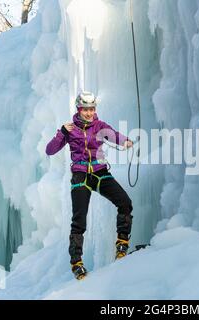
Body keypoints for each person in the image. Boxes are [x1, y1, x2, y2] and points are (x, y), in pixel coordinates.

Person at [45, 91, 134, 280]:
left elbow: (113, 135)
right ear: (79, 109)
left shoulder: (100, 126)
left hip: (100, 173)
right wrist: (61, 132)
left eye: (92, 109)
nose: (89, 113)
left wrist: (125, 141)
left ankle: (122, 244)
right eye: (85, 109)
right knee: (79, 220)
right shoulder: (69, 129)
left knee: (125, 203)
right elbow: (50, 150)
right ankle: (76, 263)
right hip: (80, 176)